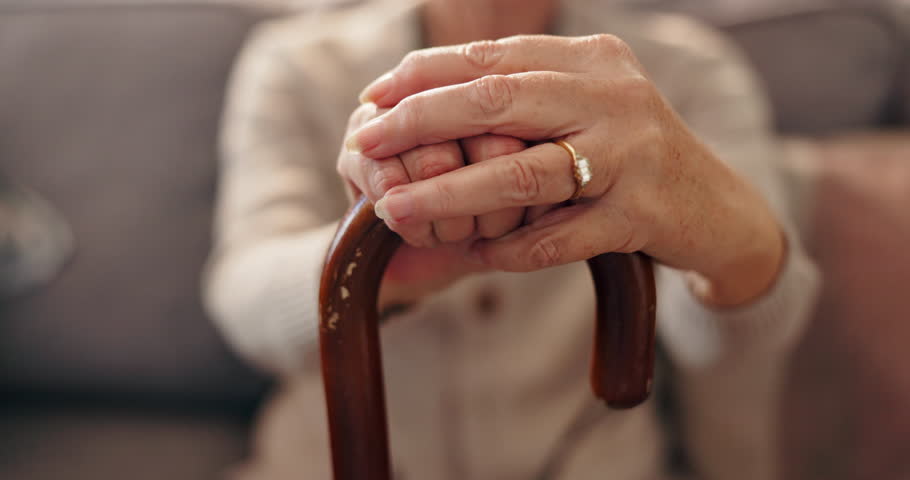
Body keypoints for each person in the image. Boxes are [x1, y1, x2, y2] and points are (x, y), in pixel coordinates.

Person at [204, 0, 820, 478]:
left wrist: (727, 236)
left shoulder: (689, 71)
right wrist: (390, 266)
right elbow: (245, 297)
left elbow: (724, 332)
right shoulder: (296, 63)